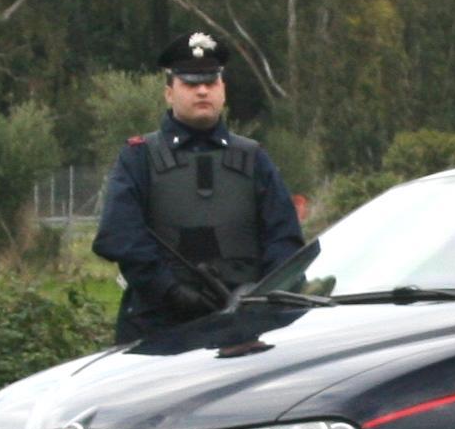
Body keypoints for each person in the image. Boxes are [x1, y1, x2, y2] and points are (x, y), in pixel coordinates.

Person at [93, 31, 304, 340]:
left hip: (242, 332)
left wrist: (260, 298)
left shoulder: (254, 159)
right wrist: (170, 290)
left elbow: (285, 242)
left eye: (211, 83)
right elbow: (120, 236)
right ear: (169, 93)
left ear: (223, 91)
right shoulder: (139, 157)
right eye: (191, 84)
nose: (202, 91)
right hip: (157, 329)